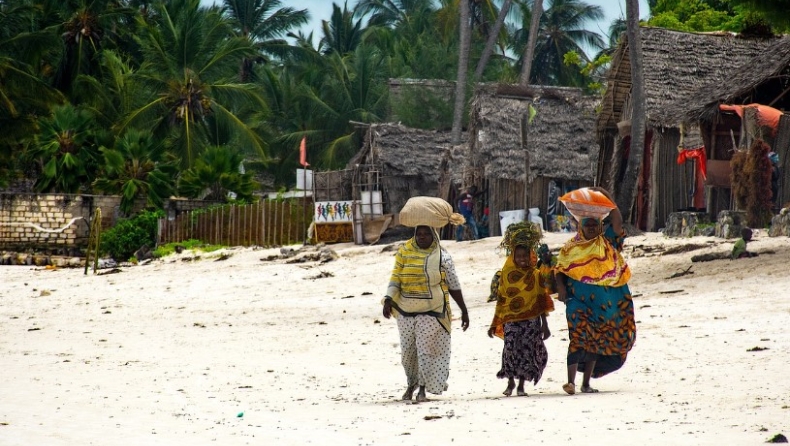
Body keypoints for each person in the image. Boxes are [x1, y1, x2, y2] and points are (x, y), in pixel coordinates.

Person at [555, 187, 636, 395]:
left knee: (595, 343)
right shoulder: (571, 247)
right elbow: (560, 269)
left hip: (603, 306)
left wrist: (605, 194)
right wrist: (562, 289)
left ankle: (585, 383)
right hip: (577, 301)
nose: (591, 228)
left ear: (600, 226)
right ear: (580, 226)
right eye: (587, 224)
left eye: (594, 224)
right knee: (578, 337)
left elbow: (617, 221)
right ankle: (571, 382)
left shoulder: (608, 242)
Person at [383, 225, 470, 403]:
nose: (422, 237)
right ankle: (411, 383)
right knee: (408, 352)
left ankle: (422, 388)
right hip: (405, 309)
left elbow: (453, 284)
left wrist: (464, 309)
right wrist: (388, 299)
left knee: (425, 350)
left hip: (433, 310)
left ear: (434, 236)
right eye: (419, 234)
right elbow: (396, 277)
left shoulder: (442, 256)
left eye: (426, 234)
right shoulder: (404, 252)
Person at [487, 222, 553, 397]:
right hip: (510, 321)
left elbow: (541, 301)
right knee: (510, 350)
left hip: (531, 322)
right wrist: (495, 323)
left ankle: (522, 386)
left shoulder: (535, 275)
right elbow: (501, 302)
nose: (522, 259)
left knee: (527, 352)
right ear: (513, 257)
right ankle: (510, 383)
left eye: (525, 256)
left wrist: (545, 325)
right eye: (519, 256)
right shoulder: (506, 276)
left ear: (530, 256)